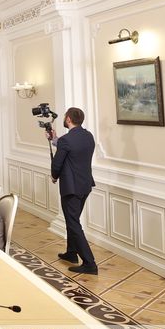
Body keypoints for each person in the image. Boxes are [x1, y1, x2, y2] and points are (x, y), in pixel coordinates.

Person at [50, 107, 98, 275]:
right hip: (85, 185)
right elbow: (73, 151)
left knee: (73, 223)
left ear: (68, 119)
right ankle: (71, 253)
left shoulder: (66, 140)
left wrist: (54, 176)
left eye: (65, 117)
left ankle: (90, 263)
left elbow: (57, 163)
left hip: (71, 188)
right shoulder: (88, 136)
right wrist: (55, 139)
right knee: (73, 219)